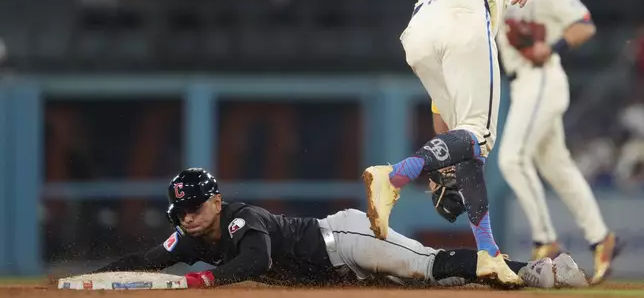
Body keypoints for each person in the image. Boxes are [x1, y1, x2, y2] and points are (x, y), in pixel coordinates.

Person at [430, 0, 622, 286]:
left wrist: (552, 48)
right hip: (522, 84)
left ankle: (545, 239)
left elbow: (584, 25)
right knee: (557, 165)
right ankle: (601, 237)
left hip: (542, 77)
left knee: (512, 158)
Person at [93, 168, 589, 289]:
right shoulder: (189, 235)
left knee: (428, 266)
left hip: (343, 241)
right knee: (438, 282)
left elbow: (257, 261)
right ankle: (529, 276)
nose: (189, 217)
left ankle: (541, 270)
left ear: (216, 201)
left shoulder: (242, 218)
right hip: (338, 274)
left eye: (197, 207)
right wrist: (97, 277)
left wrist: (202, 280)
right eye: (182, 213)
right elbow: (148, 261)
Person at [362, 0, 529, 287]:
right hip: (463, 15)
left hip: (420, 31)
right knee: (480, 135)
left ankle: (488, 252)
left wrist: (445, 165)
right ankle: (393, 176)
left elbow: (447, 126)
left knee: (470, 144)